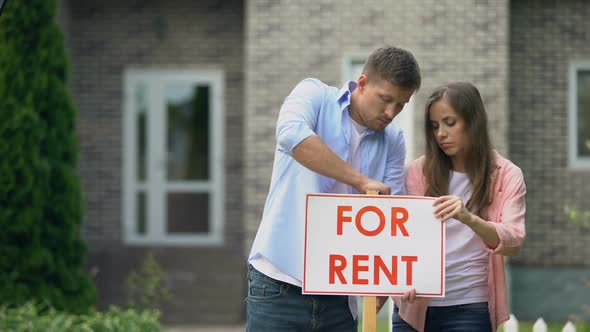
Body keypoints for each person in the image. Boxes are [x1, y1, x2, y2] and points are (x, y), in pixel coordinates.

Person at [246, 46, 421, 331]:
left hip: (340, 298)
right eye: (386, 100)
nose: (391, 112)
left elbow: (391, 213)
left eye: (401, 105)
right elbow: (291, 135)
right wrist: (360, 180)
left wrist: (389, 281)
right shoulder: (313, 95)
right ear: (362, 83)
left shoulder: (394, 139)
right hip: (279, 283)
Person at [391, 82, 526, 332]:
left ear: (473, 122)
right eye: (434, 126)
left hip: (469, 305)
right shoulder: (417, 172)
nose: (440, 134)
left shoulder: (507, 175)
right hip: (415, 305)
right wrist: (403, 279)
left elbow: (514, 240)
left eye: (449, 123)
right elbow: (404, 236)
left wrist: (468, 217)